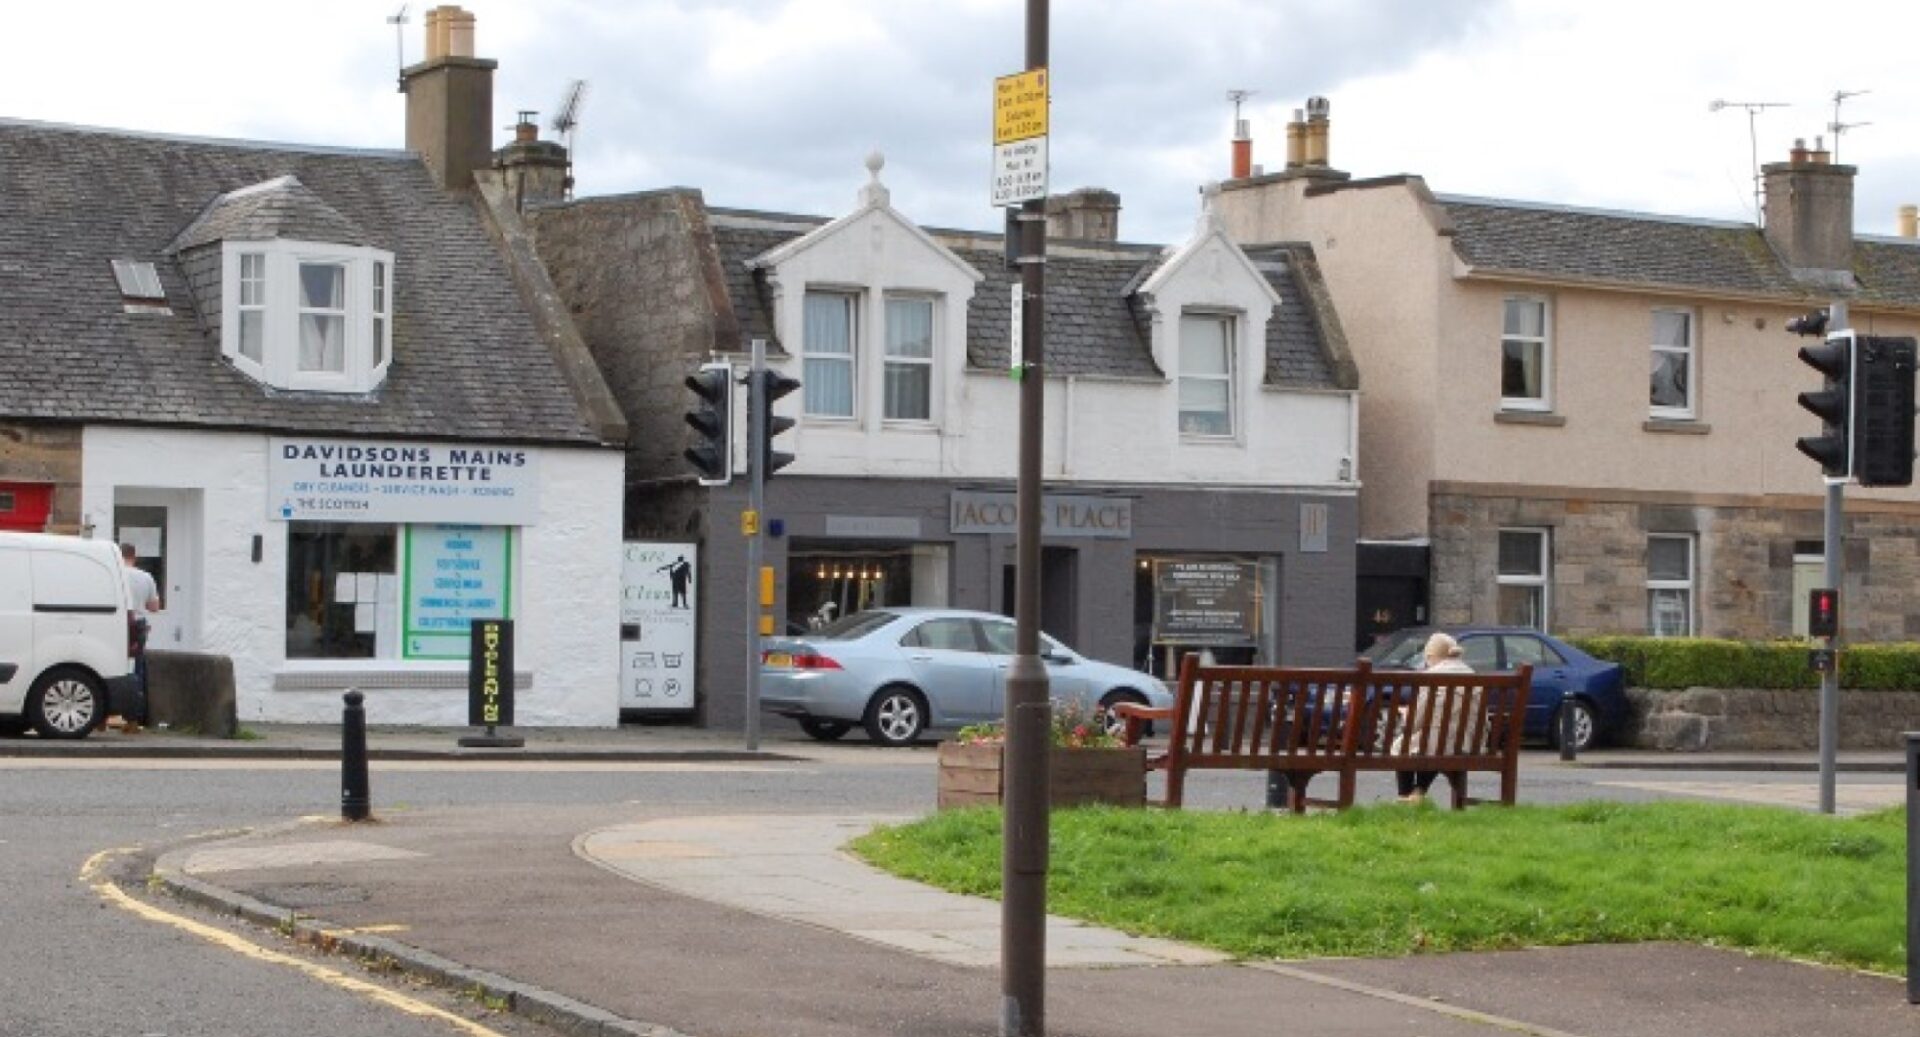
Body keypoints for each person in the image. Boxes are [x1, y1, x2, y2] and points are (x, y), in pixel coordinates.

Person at [1394, 631, 1472, 803]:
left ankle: (1405, 794)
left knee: (1408, 744)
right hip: (1467, 743)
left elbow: (1416, 721)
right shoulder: (1471, 674)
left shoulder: (1431, 676)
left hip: (1439, 743)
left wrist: (1406, 716)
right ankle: (1419, 790)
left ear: (1431, 656)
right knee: (1434, 741)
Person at [116, 543, 161, 733]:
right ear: (134, 557)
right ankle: (133, 720)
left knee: (108, 666)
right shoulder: (146, 577)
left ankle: (101, 720)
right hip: (138, 625)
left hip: (116, 623)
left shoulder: (115, 574)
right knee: (137, 670)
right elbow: (154, 607)